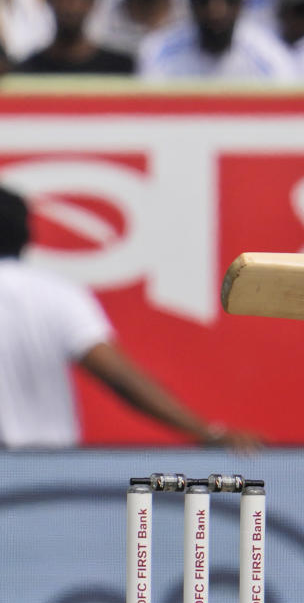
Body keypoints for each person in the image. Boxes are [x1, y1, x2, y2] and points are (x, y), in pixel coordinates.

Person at [0, 184, 257, 449]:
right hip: (46, 473)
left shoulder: (55, 293)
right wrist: (206, 433)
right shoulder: (55, 293)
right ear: (26, 235)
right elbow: (120, 377)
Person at [139, 0, 298, 79]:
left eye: (229, 0)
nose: (217, 11)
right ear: (192, 3)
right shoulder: (159, 51)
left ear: (241, 4)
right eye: (205, 0)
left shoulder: (269, 56)